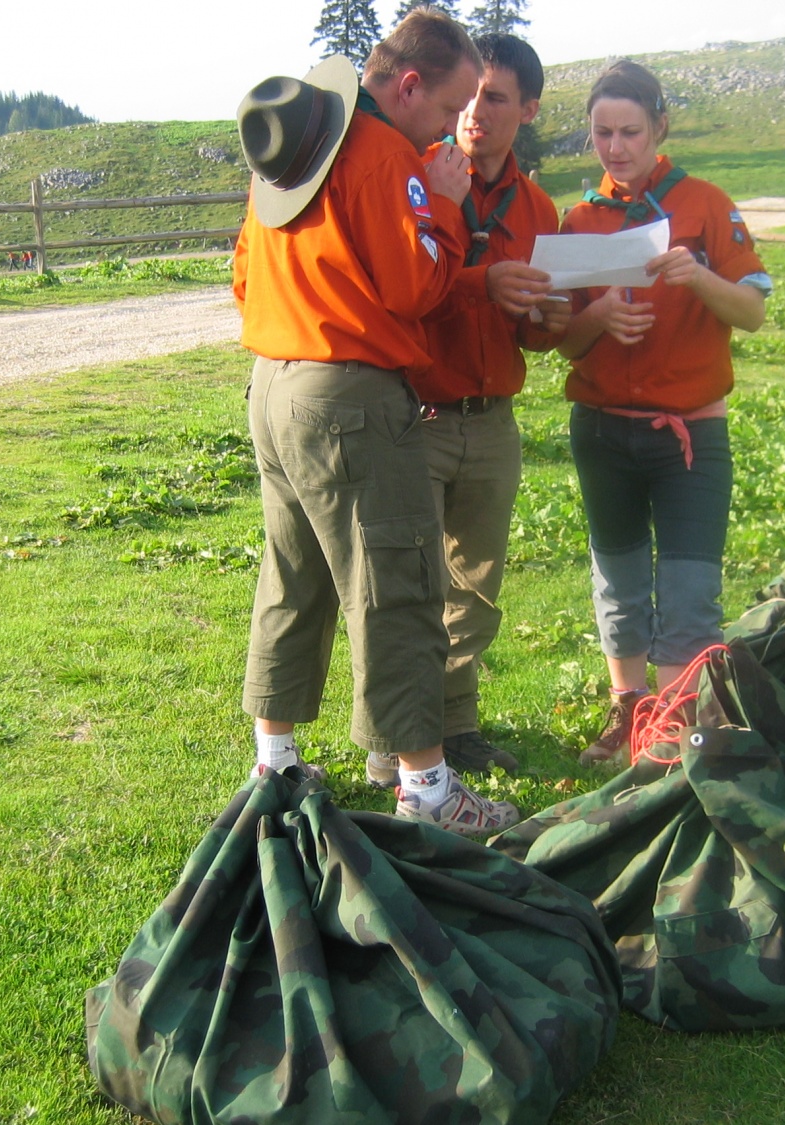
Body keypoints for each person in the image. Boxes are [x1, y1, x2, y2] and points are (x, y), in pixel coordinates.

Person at [230, 10, 519, 834]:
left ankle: (274, 759)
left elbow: (245, 279)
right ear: (410, 85)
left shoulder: (293, 157)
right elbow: (415, 289)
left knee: (293, 572)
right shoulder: (387, 155)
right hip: (351, 399)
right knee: (396, 583)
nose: (450, 131)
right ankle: (427, 786)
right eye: (445, 108)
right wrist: (448, 208)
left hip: (274, 383)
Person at [555, 60, 773, 767]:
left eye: (629, 131)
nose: (615, 147)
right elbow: (562, 341)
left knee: (689, 591)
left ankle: (677, 724)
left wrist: (698, 274)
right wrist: (598, 318)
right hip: (602, 430)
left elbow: (755, 312)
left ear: (660, 129)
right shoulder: (582, 220)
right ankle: (628, 711)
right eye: (601, 133)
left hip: (691, 435)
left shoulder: (707, 204)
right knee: (617, 580)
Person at [389, 33, 567, 786]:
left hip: (494, 419)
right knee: (409, 587)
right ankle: (402, 737)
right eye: (465, 100)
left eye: (493, 100)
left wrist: (552, 312)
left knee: (476, 588)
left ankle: (454, 726)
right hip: (420, 412)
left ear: (527, 110)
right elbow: (402, 293)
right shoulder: (418, 180)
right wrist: (481, 279)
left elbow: (539, 333)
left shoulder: (538, 208)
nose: (473, 115)